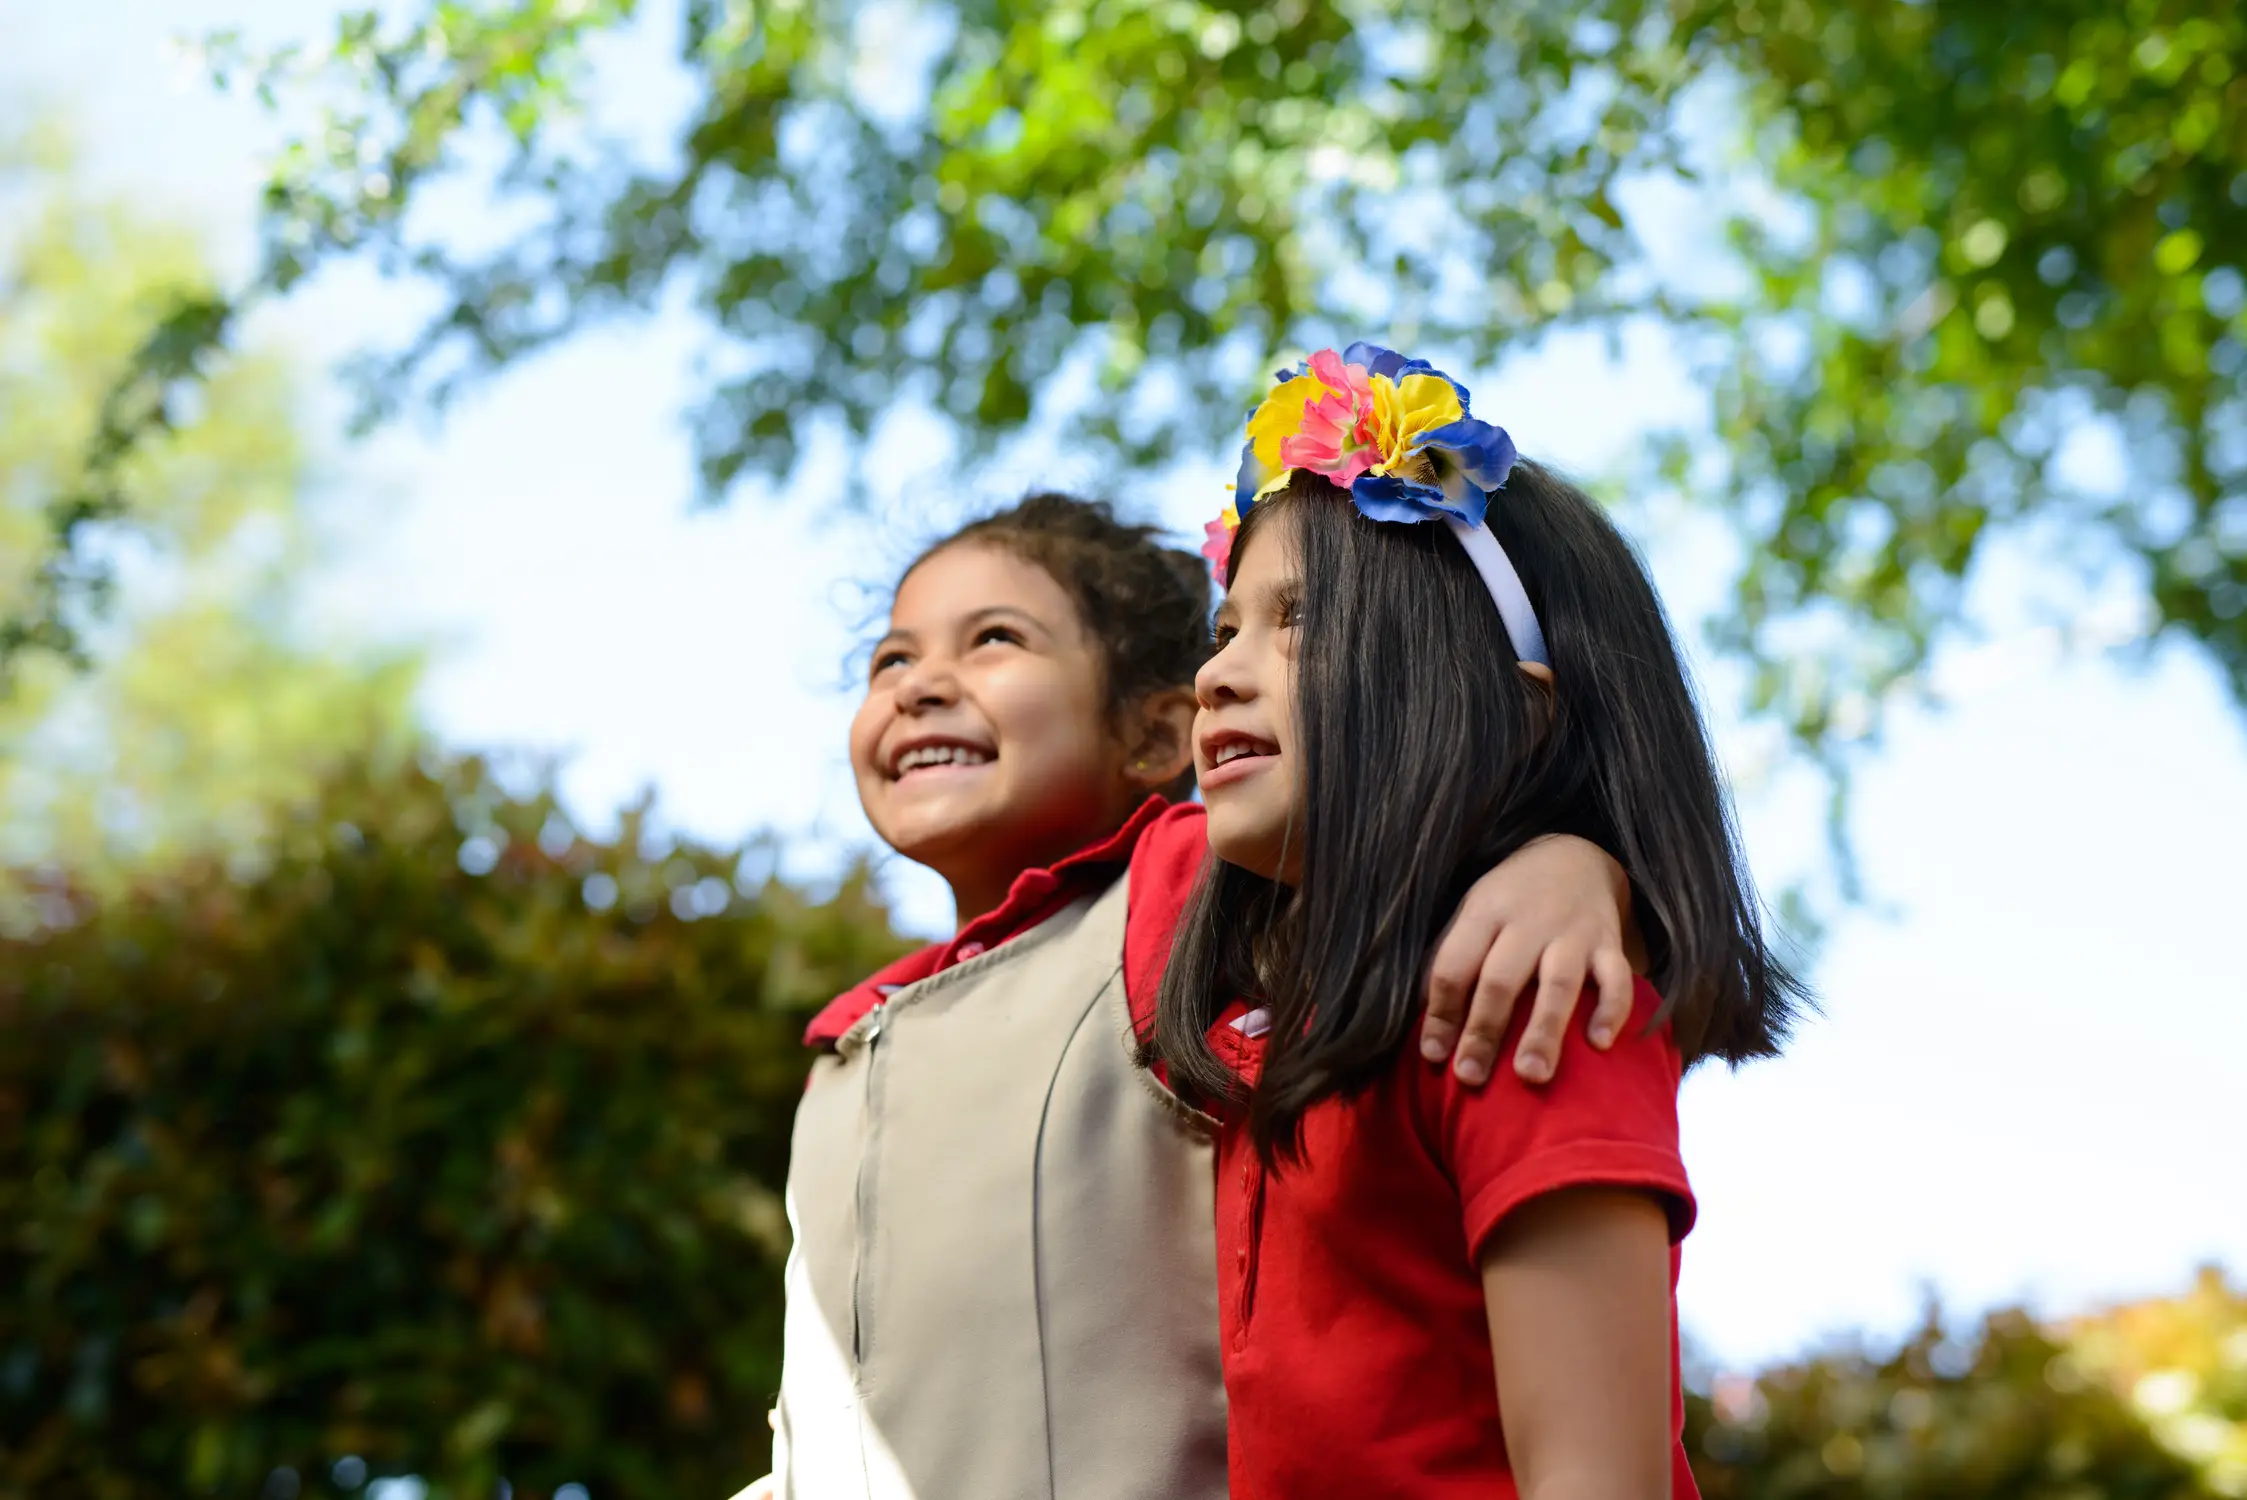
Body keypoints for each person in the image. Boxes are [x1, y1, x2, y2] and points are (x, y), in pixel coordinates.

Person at [752, 492, 1646, 1500]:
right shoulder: (846, 1052)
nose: (920, 688)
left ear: (1154, 733)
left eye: (994, 639)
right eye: (892, 660)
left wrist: (1573, 861)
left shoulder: (1179, 890)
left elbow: (1408, 833)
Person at [1152, 343, 1807, 1498]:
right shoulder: (1264, 1027)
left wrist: (1580, 861)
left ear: (1509, 701)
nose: (1218, 675)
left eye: (1298, 621)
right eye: (1226, 631)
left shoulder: (1536, 997)